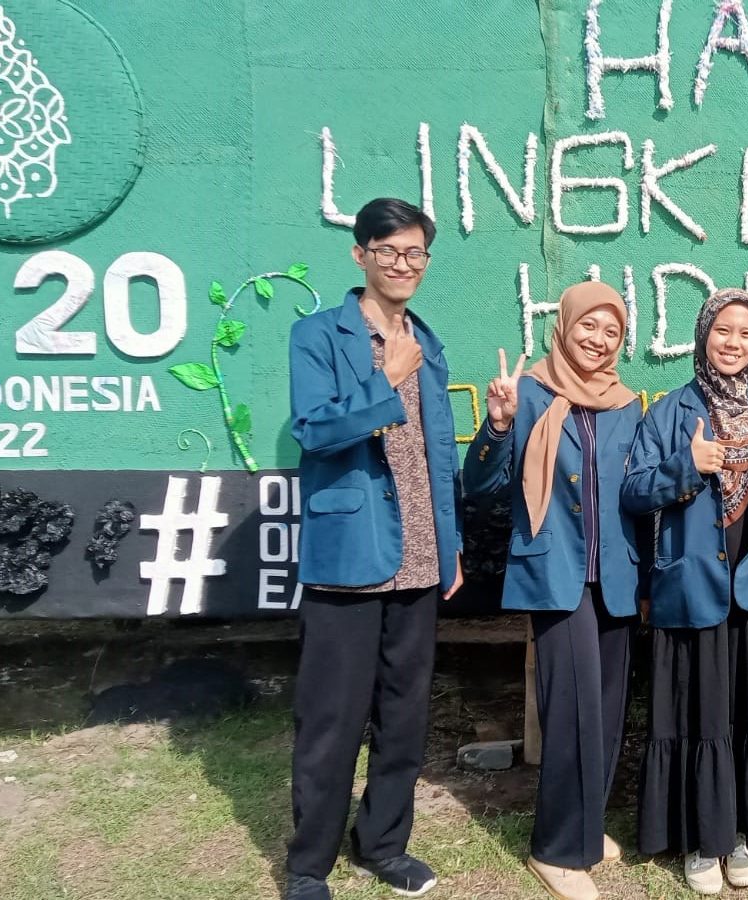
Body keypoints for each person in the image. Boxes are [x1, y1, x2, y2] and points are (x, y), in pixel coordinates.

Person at [284, 198, 463, 900]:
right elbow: (314, 430)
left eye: (414, 252)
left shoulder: (426, 342)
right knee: (331, 723)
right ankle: (308, 866)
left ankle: (383, 844)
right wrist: (384, 378)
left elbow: (437, 452)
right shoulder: (318, 335)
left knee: (403, 719)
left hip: (419, 558)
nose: (401, 264)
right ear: (360, 255)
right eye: (387, 251)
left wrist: (448, 545)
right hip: (349, 559)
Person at [622, 288, 748, 895]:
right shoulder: (669, 411)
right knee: (699, 712)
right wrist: (688, 467)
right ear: (703, 335)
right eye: (722, 331)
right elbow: (633, 492)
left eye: (745, 334)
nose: (733, 343)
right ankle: (704, 839)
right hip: (692, 587)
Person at [463, 282, 646, 900]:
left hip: (615, 576)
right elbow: (482, 487)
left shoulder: (625, 405)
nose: (599, 340)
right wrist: (498, 424)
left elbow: (635, 490)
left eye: (612, 331)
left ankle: (586, 827)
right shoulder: (531, 393)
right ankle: (556, 849)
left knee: (608, 709)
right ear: (563, 327)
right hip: (554, 574)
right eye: (588, 326)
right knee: (570, 711)